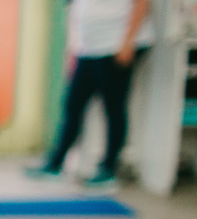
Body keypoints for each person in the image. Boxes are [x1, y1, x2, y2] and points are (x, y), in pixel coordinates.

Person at [26, 0, 154, 189]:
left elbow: (142, 3)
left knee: (113, 106)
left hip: (114, 44)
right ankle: (55, 164)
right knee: (73, 104)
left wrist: (128, 42)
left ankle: (109, 170)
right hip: (89, 47)